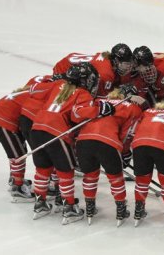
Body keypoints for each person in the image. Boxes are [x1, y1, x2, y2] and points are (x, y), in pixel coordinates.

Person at [29, 62, 115, 224]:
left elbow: (34, 91)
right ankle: (69, 207)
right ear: (85, 80)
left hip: (37, 128)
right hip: (57, 132)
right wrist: (99, 110)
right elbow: (77, 114)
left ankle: (40, 203)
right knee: (65, 171)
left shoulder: (58, 84)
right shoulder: (83, 94)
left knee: (43, 168)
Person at [75, 83, 142, 227]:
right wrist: (125, 153)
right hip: (108, 143)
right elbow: (127, 134)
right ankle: (120, 211)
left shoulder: (99, 102)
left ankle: (90, 210)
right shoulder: (132, 108)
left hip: (83, 142)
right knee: (116, 178)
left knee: (90, 176)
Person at [130, 89, 164, 230]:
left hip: (139, 144)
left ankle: (138, 211)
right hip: (162, 146)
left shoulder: (147, 111)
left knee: (142, 181)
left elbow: (134, 129)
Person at [0, 82, 37, 202]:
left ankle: (15, 178)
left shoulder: (37, 89)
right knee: (17, 154)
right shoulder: (42, 96)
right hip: (4, 121)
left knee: (19, 149)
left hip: (5, 115)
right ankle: (18, 187)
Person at [53, 43, 134, 96]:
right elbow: (99, 97)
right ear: (116, 61)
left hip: (70, 62)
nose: (128, 68)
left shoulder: (106, 57)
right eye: (125, 64)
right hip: (64, 69)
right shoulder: (106, 74)